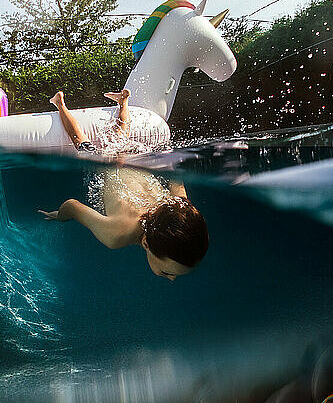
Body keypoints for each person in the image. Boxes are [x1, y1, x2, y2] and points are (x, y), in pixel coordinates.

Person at [39, 90, 209, 281]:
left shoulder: (180, 206)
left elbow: (175, 175)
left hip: (135, 159)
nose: (172, 279)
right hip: (107, 164)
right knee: (80, 141)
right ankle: (60, 103)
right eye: (167, 272)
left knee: (120, 139)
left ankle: (123, 101)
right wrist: (60, 217)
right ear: (145, 243)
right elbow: (72, 206)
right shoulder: (116, 235)